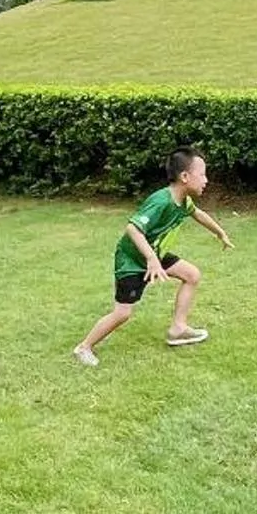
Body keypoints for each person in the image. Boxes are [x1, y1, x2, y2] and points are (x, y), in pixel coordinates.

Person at [74, 148, 233, 366]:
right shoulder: (161, 201)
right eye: (202, 174)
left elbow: (197, 213)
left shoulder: (184, 201)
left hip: (155, 254)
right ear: (184, 176)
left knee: (192, 275)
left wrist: (219, 232)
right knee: (122, 313)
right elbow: (133, 228)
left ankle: (178, 329)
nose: (206, 180)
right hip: (132, 260)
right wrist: (151, 259)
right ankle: (83, 347)